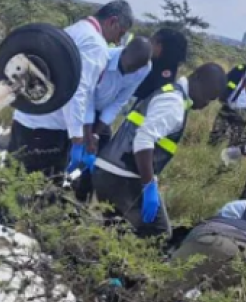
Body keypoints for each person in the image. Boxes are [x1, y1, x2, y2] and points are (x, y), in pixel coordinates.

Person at [92, 63, 227, 238]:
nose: (205, 104)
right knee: (159, 234)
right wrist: (149, 186)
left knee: (116, 230)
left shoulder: (170, 93)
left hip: (110, 170)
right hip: (123, 176)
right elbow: (143, 140)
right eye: (207, 97)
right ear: (197, 78)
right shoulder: (174, 102)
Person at [9, 0, 134, 178]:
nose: (116, 41)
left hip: (26, 117)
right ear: (112, 21)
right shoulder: (96, 45)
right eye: (119, 33)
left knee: (8, 184)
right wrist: (77, 138)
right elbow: (78, 91)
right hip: (48, 131)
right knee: (40, 194)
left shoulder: (76, 30)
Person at [74, 36, 153, 201]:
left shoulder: (144, 68)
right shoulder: (103, 59)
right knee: (73, 149)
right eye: (129, 66)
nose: (131, 71)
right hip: (79, 106)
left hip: (103, 112)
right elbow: (87, 97)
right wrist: (87, 135)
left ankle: (82, 197)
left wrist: (95, 135)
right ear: (123, 52)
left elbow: (120, 101)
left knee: (102, 153)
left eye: (136, 68)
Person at [132, 28, 189, 102]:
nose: (149, 43)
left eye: (152, 41)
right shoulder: (169, 74)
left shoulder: (151, 70)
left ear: (159, 46)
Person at [208, 63, 246, 148]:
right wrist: (222, 95)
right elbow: (225, 80)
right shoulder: (239, 69)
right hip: (228, 105)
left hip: (242, 112)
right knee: (216, 133)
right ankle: (208, 152)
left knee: (235, 140)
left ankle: (228, 159)